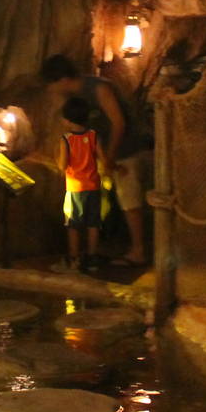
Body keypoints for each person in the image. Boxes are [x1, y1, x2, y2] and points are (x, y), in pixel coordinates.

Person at [41, 53, 148, 264]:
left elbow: (119, 123)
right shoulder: (75, 96)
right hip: (103, 153)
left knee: (130, 200)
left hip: (126, 150)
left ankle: (138, 251)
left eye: (50, 84)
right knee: (106, 201)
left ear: (61, 79)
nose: (49, 90)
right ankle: (99, 248)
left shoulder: (99, 88)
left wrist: (109, 156)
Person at [57, 96, 104, 272]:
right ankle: (92, 259)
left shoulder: (66, 139)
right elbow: (103, 159)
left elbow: (62, 165)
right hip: (93, 186)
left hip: (75, 189)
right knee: (93, 223)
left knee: (73, 225)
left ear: (68, 121)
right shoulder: (94, 135)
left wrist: (57, 162)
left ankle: (74, 259)